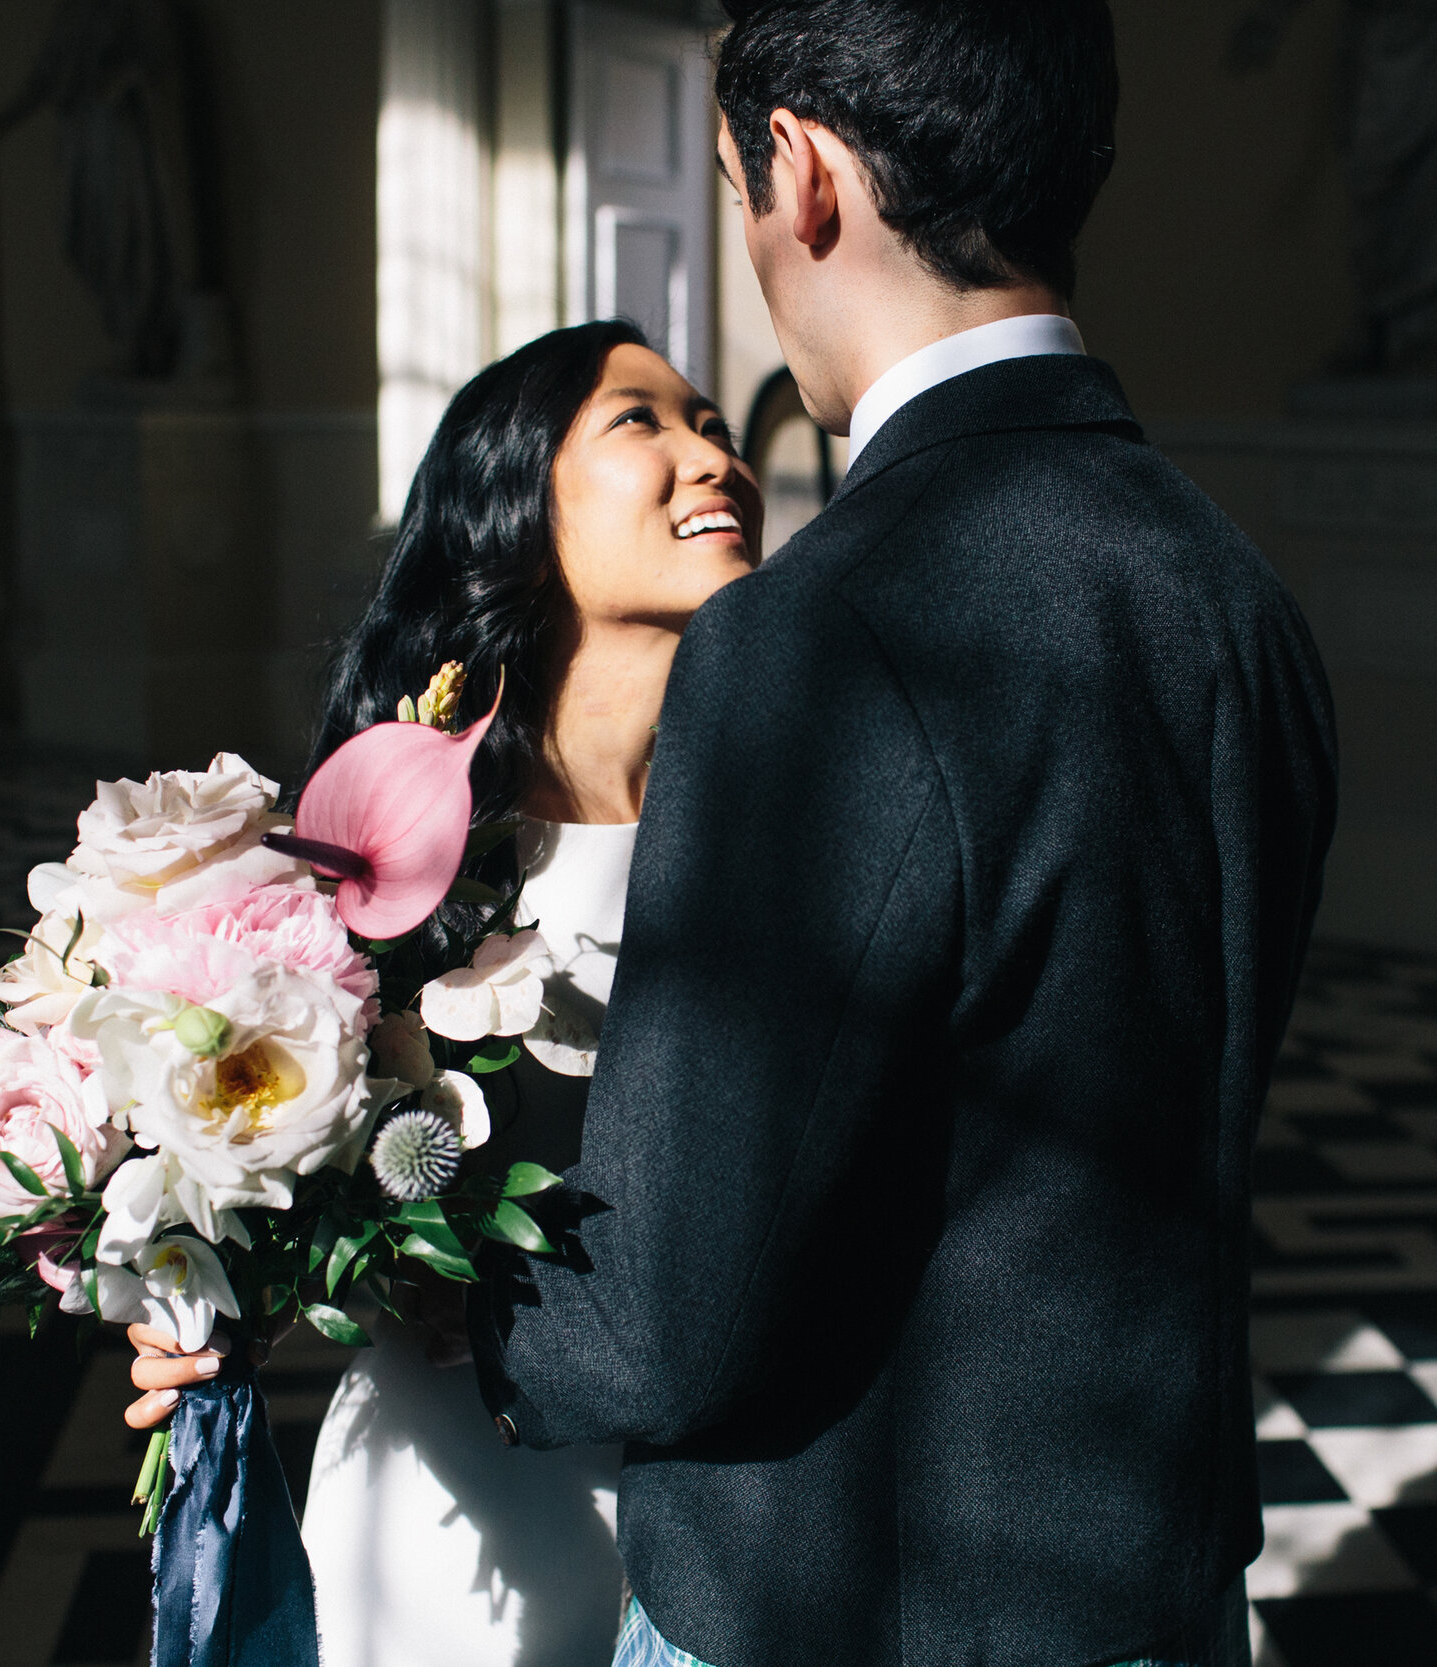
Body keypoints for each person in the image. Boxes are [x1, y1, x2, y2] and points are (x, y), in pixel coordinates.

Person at [469, 4, 1338, 1667]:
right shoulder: (1236, 595)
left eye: (733, 186)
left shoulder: (819, 634)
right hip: (1157, 1583)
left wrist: (457, 1306)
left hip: (851, 1603)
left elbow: (672, 1318)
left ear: (798, 174)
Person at [116, 318, 765, 1666]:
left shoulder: (802, 835)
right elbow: (251, 1173)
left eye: (714, 423)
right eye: (641, 421)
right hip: (451, 1545)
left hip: (737, 1535)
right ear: (515, 506)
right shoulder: (386, 867)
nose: (712, 453)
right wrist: (196, 1302)